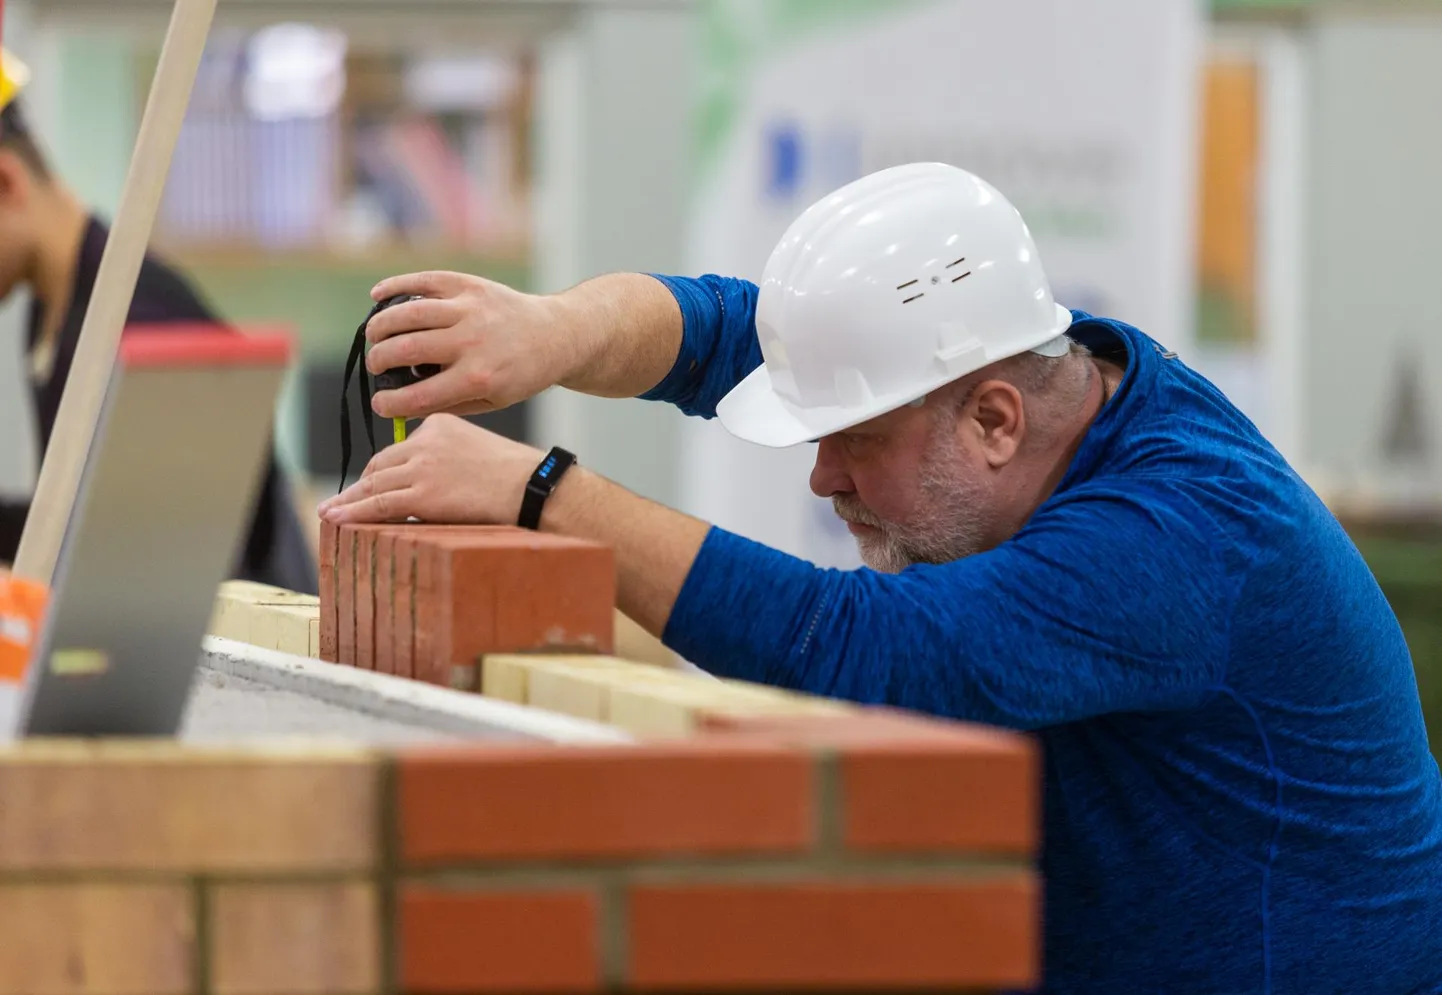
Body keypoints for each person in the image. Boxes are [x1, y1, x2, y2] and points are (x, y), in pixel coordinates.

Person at [319, 162, 1442, 994]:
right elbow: (718, 328)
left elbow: (877, 652)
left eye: (853, 441)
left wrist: (543, 493)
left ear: (993, 421)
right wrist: (549, 330)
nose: (821, 475)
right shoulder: (1029, 371)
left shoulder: (1179, 532)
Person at [0, 51, 316, 594]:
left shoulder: (141, 326)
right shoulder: (52, 309)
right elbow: (82, 525)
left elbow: (175, 577)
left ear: (7, 184)